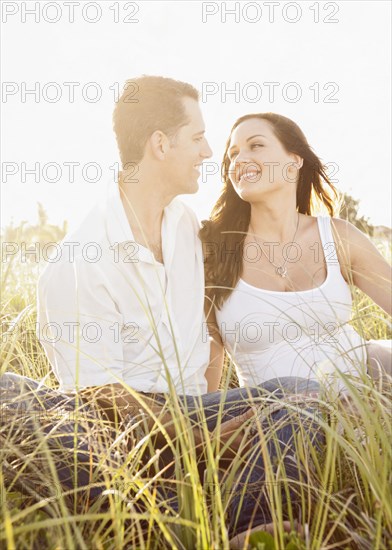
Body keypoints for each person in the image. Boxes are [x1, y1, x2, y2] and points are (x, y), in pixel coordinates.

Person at [0, 82, 322, 544]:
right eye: (198, 137)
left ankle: (225, 526)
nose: (210, 152)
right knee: (8, 395)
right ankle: (184, 522)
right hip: (117, 432)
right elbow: (94, 398)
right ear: (160, 144)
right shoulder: (80, 259)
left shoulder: (184, 225)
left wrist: (212, 420)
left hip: (190, 413)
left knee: (302, 398)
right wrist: (197, 441)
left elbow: (209, 333)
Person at [200, 112, 391, 394]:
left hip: (363, 398)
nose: (240, 160)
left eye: (256, 145)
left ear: (294, 160)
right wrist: (201, 428)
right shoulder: (213, 248)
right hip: (276, 420)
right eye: (233, 154)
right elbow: (210, 357)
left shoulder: (338, 236)